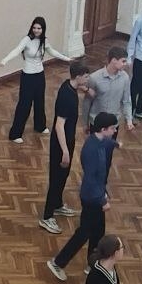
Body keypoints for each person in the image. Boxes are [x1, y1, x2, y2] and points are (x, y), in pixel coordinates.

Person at [47, 112, 119, 280]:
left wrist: (116, 144)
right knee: (84, 233)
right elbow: (90, 179)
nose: (115, 130)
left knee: (98, 231)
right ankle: (58, 262)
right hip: (92, 198)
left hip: (95, 194)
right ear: (104, 129)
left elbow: (106, 143)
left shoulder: (99, 140)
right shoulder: (92, 150)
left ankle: (93, 264)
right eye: (113, 128)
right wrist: (102, 200)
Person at [39, 61, 91, 235]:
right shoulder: (67, 97)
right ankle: (46, 217)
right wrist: (65, 151)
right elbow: (59, 125)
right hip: (61, 144)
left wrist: (85, 89)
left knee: (63, 175)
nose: (88, 79)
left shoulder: (69, 85)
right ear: (78, 76)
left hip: (67, 140)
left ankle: (57, 204)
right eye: (86, 76)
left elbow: (79, 86)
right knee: (56, 178)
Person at [0, 16, 70, 143]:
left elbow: (52, 51)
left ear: (43, 29)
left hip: (39, 75)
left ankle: (40, 126)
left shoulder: (44, 41)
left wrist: (67, 59)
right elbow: (17, 50)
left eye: (39, 28)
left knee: (39, 101)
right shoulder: (27, 40)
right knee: (24, 104)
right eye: (34, 28)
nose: (36, 30)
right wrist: (5, 60)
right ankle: (15, 134)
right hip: (28, 76)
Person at [83, 49, 136, 166]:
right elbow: (87, 102)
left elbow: (127, 101)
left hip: (113, 125)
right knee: (94, 156)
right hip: (96, 123)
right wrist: (84, 123)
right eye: (123, 61)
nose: (125, 64)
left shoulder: (125, 78)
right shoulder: (94, 78)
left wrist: (129, 120)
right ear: (113, 60)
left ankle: (103, 177)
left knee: (107, 156)